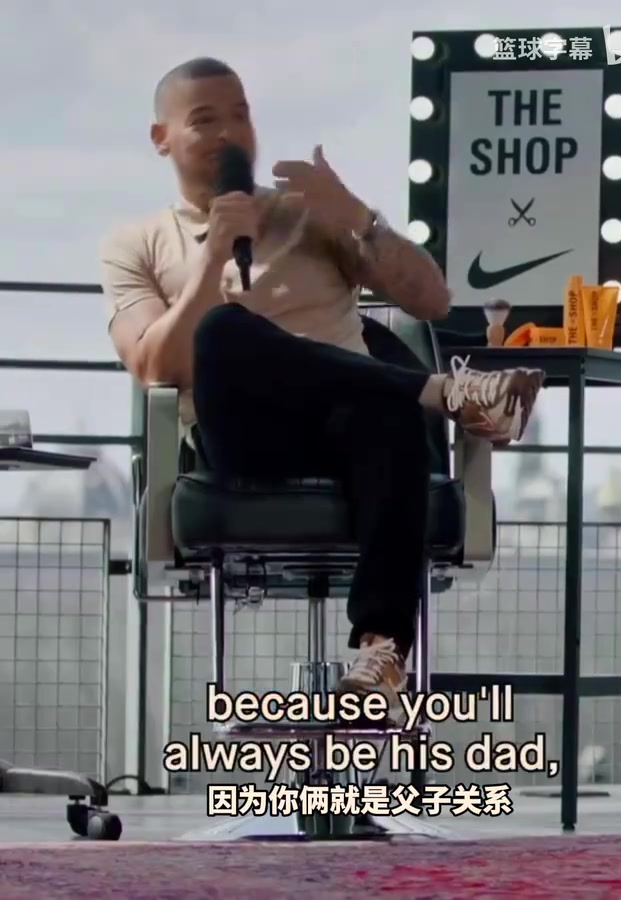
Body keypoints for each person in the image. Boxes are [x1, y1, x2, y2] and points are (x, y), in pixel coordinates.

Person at [100, 57, 545, 725]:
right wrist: (214, 256)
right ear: (162, 137)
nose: (229, 132)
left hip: (351, 429)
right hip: (246, 438)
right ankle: (441, 391)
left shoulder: (311, 216)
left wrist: (360, 218)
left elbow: (431, 299)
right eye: (205, 120)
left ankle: (381, 654)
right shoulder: (135, 243)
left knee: (389, 415)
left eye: (240, 115)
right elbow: (154, 366)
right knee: (222, 328)